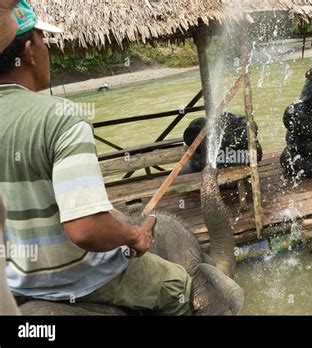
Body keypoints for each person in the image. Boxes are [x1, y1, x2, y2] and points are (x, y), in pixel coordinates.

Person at [0, 1, 192, 315]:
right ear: (29, 51)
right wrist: (134, 236)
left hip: (13, 282)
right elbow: (85, 229)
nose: (47, 51)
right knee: (178, 286)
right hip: (80, 279)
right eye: (43, 42)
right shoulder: (62, 118)